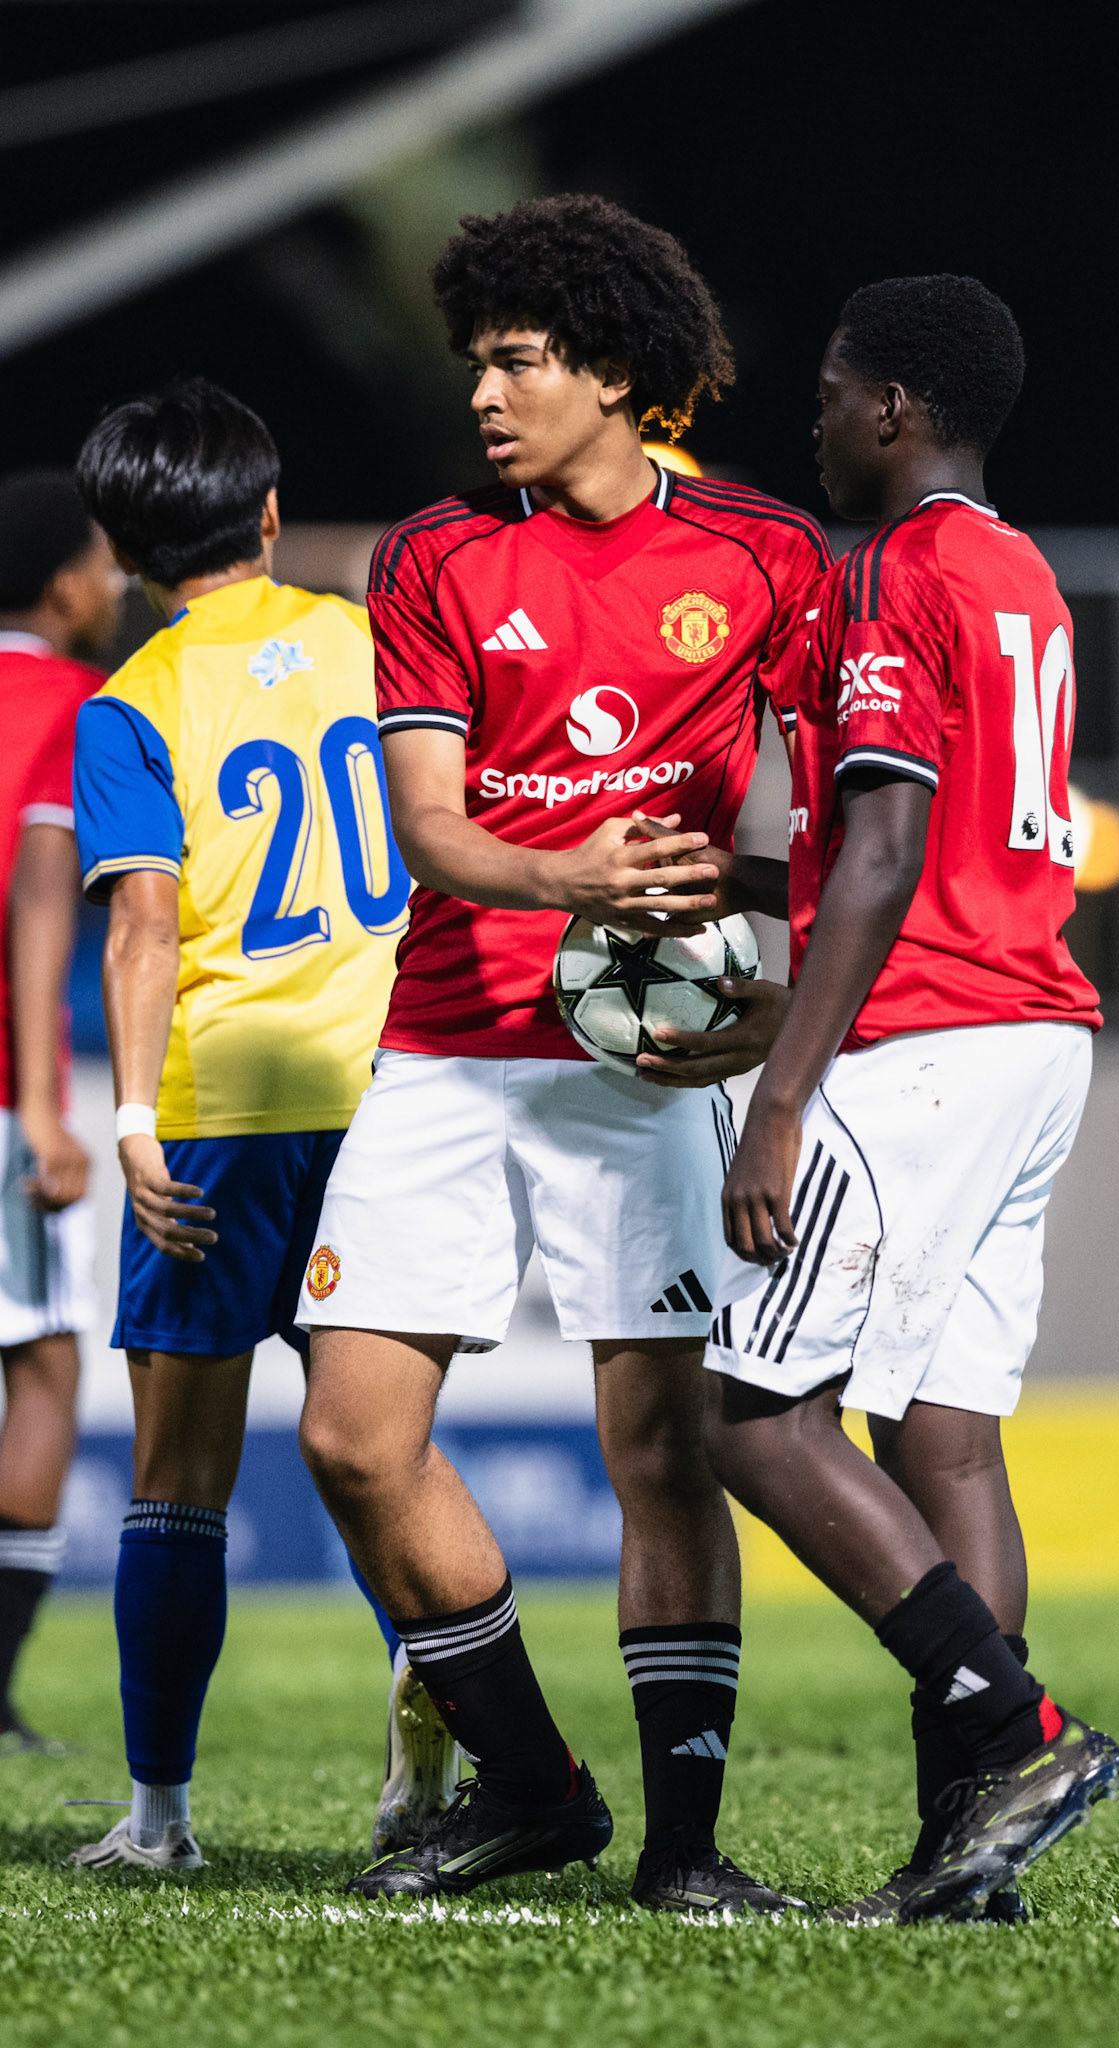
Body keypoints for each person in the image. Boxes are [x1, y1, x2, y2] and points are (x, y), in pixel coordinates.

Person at [295, 194, 830, 1911]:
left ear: (613, 370)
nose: (483, 393)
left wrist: (773, 975)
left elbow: (845, 815)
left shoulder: (765, 553)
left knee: (662, 1449)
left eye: (516, 360)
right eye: (476, 362)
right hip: (448, 1041)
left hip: (645, 1059)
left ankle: (687, 1847)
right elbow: (432, 827)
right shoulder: (436, 554)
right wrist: (571, 872)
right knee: (352, 1436)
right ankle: (534, 1787)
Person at [659, 275, 1119, 1922]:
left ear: (893, 410)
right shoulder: (1018, 571)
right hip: (1035, 1031)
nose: (816, 421)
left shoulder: (888, 573)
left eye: (831, 394)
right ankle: (966, 1854)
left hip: (925, 1038)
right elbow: (915, 830)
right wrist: (736, 876)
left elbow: (886, 844)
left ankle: (1019, 1729)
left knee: (752, 1416)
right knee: (945, 1440)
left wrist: (781, 1094)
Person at [67, 379, 453, 1871]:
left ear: (121, 550)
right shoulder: (370, 640)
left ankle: (160, 1816)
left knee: (177, 1485)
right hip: (386, 1090)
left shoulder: (134, 701)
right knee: (386, 1459)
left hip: (222, 1113)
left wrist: (130, 1118)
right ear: (273, 513)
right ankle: (440, 1736)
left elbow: (143, 924)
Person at [0, 471, 124, 1752]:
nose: (115, 579)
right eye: (102, 559)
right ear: (61, 584)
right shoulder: (83, 707)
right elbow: (39, 903)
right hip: (4, 1089)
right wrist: (44, 1105)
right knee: (41, 1364)